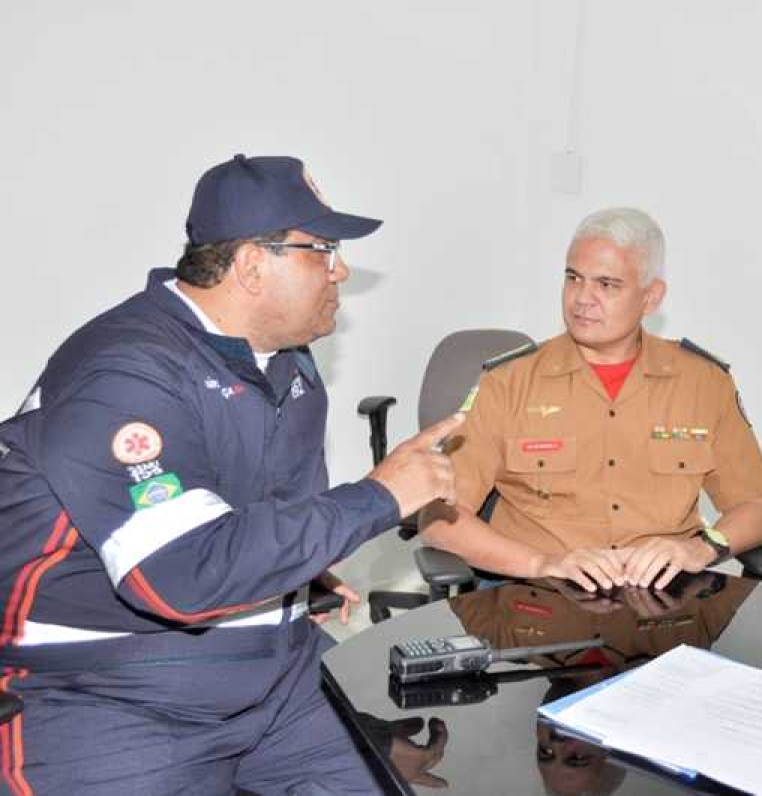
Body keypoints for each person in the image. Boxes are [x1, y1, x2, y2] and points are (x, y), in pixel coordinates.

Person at [0, 154, 462, 794]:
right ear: (251, 265)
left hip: (275, 679)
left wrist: (302, 570)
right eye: (322, 250)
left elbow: (253, 515)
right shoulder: (125, 371)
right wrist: (379, 496)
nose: (342, 270)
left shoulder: (289, 367)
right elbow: (182, 576)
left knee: (414, 781)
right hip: (107, 691)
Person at [421, 207, 762, 591]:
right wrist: (543, 563)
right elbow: (440, 519)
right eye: (573, 278)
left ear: (651, 296)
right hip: (536, 597)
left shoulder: (704, 383)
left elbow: (756, 510)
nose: (582, 299)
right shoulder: (508, 381)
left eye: (607, 285)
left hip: (664, 604)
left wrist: (704, 549)